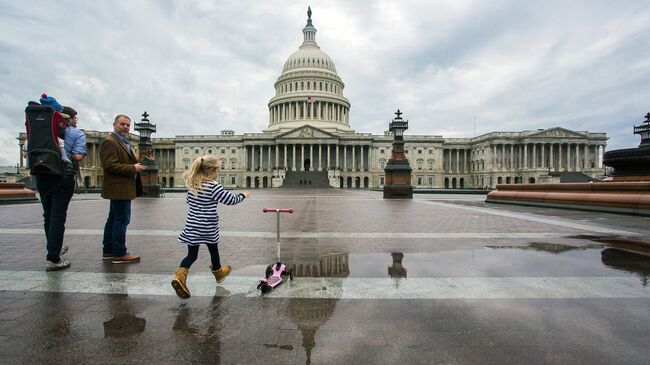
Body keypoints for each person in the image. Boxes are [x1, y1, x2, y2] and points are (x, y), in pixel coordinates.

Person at [171, 155, 250, 299]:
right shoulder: (214, 186)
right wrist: (243, 195)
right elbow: (230, 200)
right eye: (218, 170)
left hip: (192, 225)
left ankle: (180, 276)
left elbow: (189, 201)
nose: (218, 174)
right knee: (213, 250)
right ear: (212, 170)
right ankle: (218, 273)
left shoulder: (193, 184)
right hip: (208, 225)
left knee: (191, 255)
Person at [31, 94, 75, 270]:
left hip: (41, 173)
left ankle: (53, 248)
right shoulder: (65, 128)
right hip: (61, 175)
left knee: (47, 216)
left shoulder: (35, 125)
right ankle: (53, 257)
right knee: (57, 217)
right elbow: (72, 150)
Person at [99, 114, 146, 263]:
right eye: (122, 124)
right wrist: (133, 168)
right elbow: (110, 165)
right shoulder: (110, 141)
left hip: (122, 186)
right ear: (114, 125)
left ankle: (108, 250)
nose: (125, 127)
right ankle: (119, 253)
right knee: (121, 220)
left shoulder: (122, 142)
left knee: (113, 219)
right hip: (119, 187)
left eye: (127, 125)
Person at [61, 106, 86, 187]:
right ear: (69, 119)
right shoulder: (78, 133)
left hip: (43, 172)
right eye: (75, 118)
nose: (76, 120)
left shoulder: (45, 130)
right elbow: (77, 157)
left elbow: (25, 154)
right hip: (65, 173)